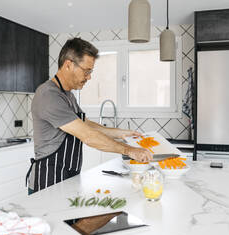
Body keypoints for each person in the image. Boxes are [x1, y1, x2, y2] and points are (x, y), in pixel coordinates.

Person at [27, 37, 152, 194]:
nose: (89, 77)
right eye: (86, 71)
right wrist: (129, 150)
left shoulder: (67, 95)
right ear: (68, 65)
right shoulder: (48, 95)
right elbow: (88, 135)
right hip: (47, 181)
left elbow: (85, 124)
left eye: (90, 72)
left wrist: (121, 133)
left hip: (67, 177)